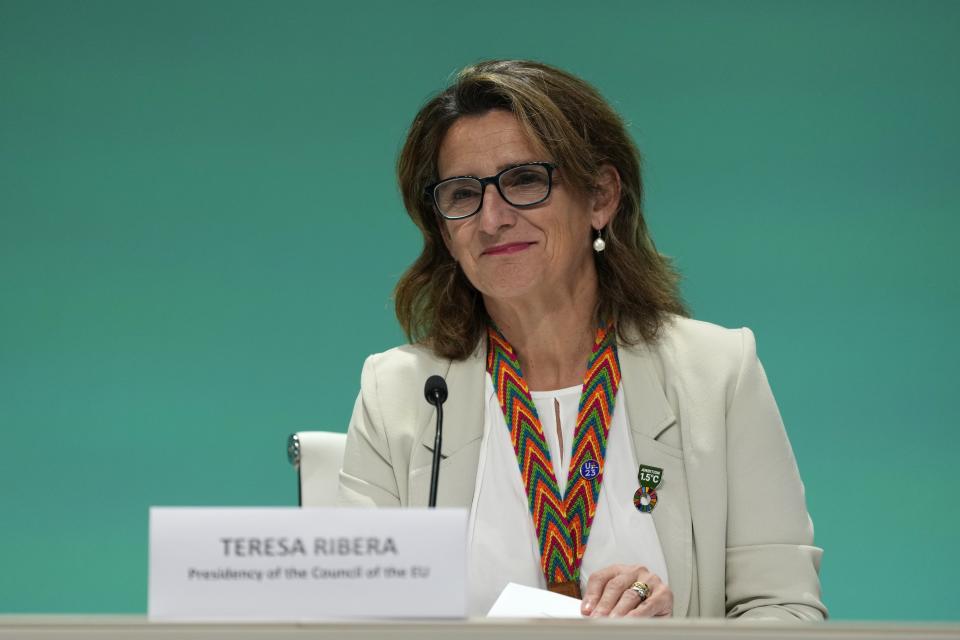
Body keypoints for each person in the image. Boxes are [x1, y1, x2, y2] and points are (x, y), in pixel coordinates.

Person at [336, 59, 826, 620]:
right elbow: (357, 619)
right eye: (462, 193)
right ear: (444, 229)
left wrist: (679, 636)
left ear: (600, 197)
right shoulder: (401, 392)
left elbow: (786, 611)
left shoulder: (717, 372)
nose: (491, 218)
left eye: (523, 181)